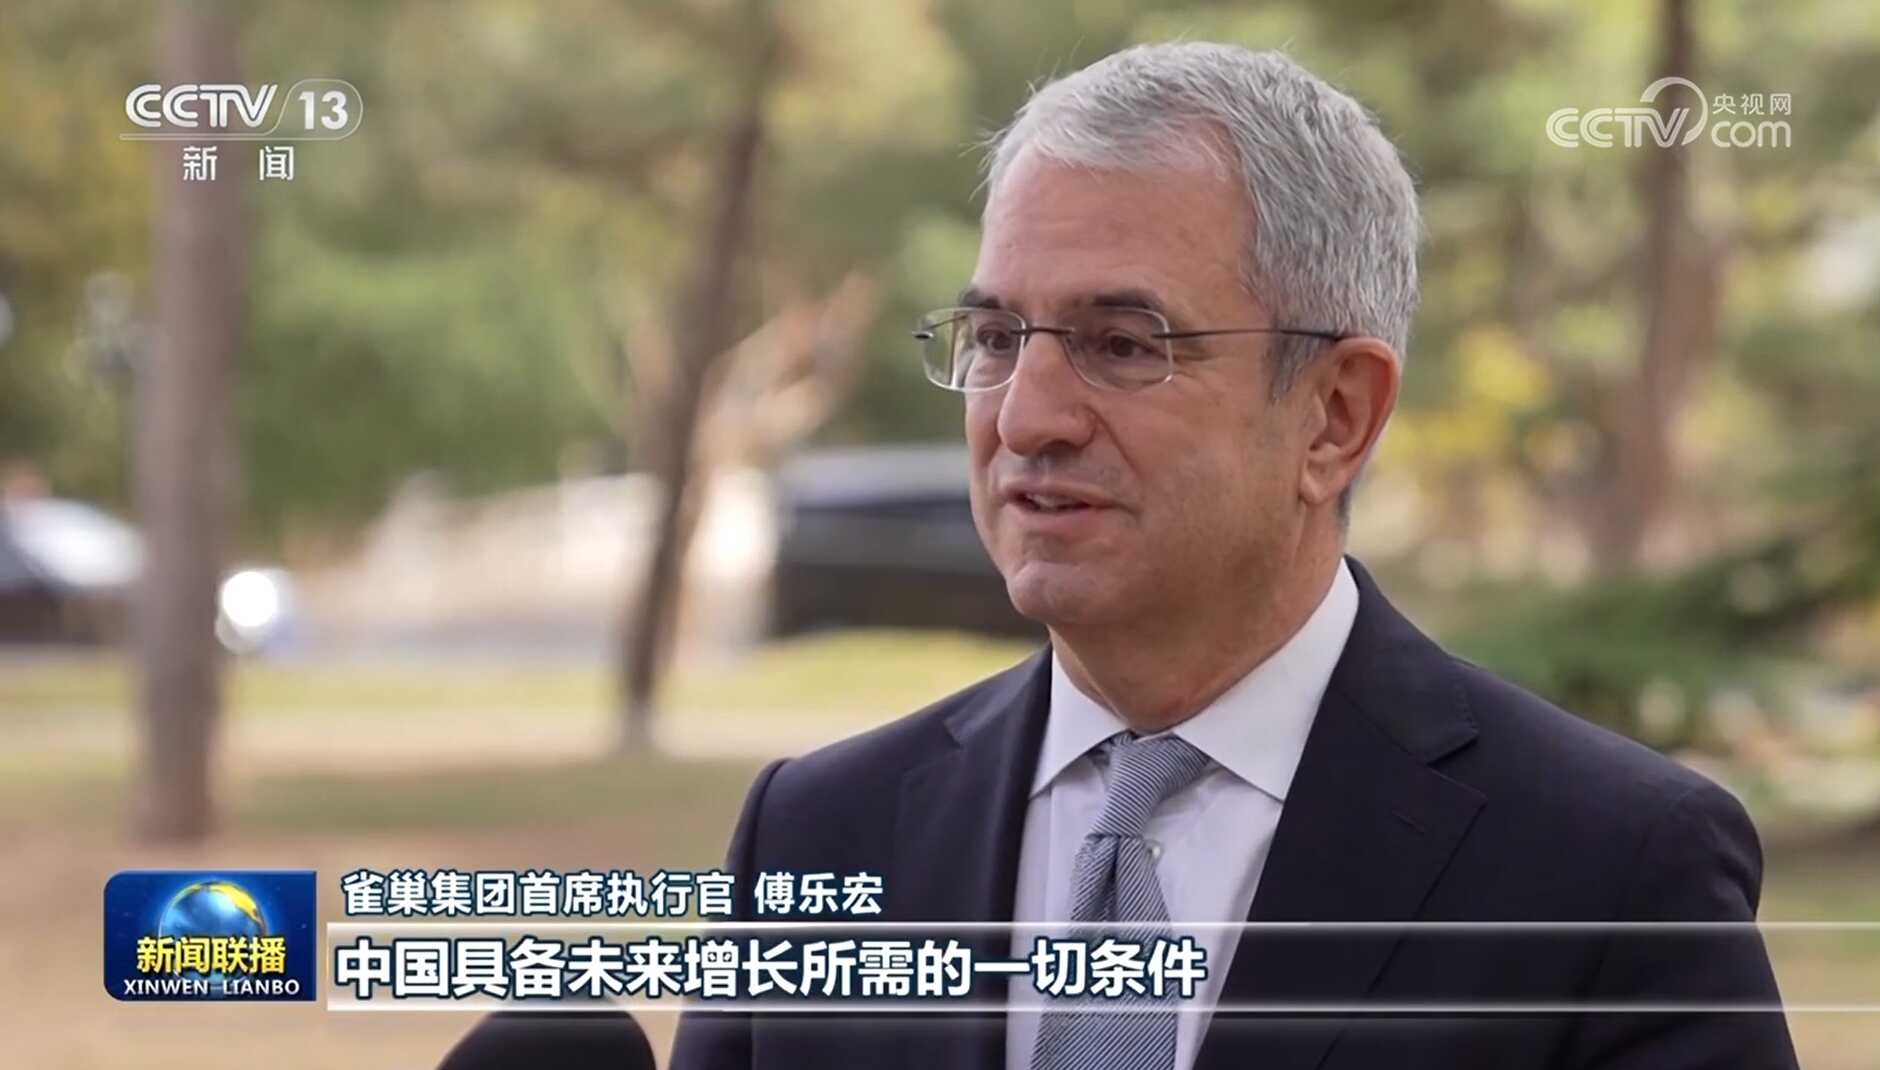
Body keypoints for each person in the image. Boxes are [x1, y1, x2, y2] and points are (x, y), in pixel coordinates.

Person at [669, 41, 1797, 1070]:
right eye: (999, 338)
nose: (1025, 416)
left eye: (1122, 344)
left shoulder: (1607, 867)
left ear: (1334, 417)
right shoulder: (817, 833)